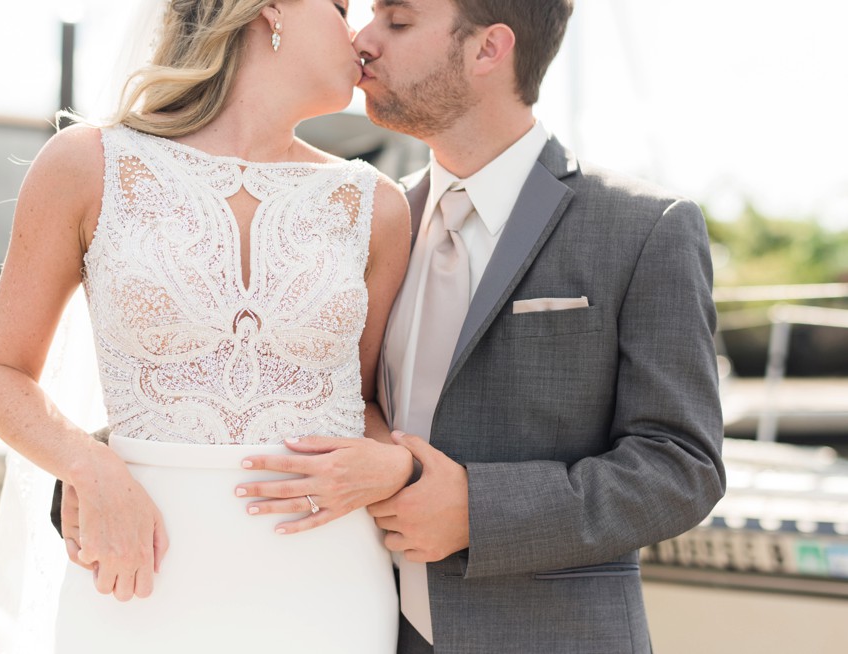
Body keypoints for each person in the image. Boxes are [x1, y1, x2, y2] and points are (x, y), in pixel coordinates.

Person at [225, 1, 727, 652]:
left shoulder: (643, 228)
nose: (363, 39)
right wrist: (92, 476)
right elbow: (250, 383)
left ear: (488, 50)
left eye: (398, 22)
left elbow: (682, 466)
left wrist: (476, 512)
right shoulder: (362, 222)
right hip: (360, 627)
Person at [0, 0, 413, 651]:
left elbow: (366, 402)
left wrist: (397, 464)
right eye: (341, 6)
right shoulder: (88, 165)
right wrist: (88, 467)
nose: (357, 33)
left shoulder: (374, 206)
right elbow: (0, 376)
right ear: (270, 11)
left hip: (328, 582)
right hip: (137, 571)